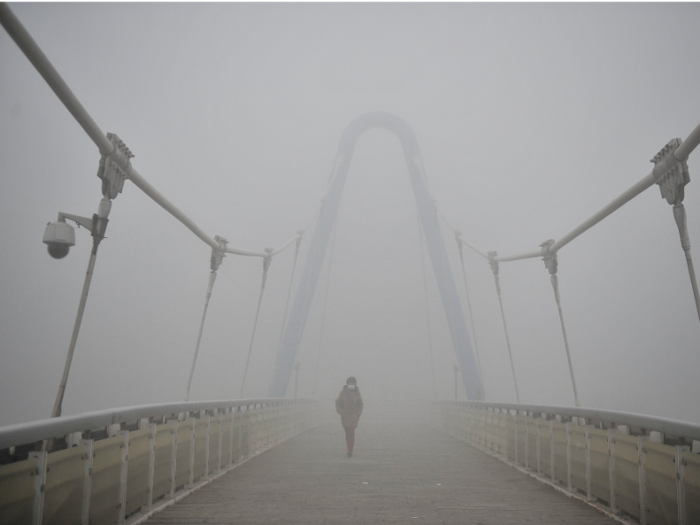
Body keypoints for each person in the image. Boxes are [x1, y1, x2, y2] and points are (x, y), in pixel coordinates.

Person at [335, 376, 363, 457]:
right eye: (350, 383)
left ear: (355, 384)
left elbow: (360, 404)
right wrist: (341, 412)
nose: (351, 384)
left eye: (352, 383)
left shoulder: (357, 393)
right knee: (347, 433)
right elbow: (338, 403)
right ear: (347, 384)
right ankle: (349, 448)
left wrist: (358, 413)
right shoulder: (343, 393)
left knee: (351, 432)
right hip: (345, 416)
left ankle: (350, 450)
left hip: (354, 416)